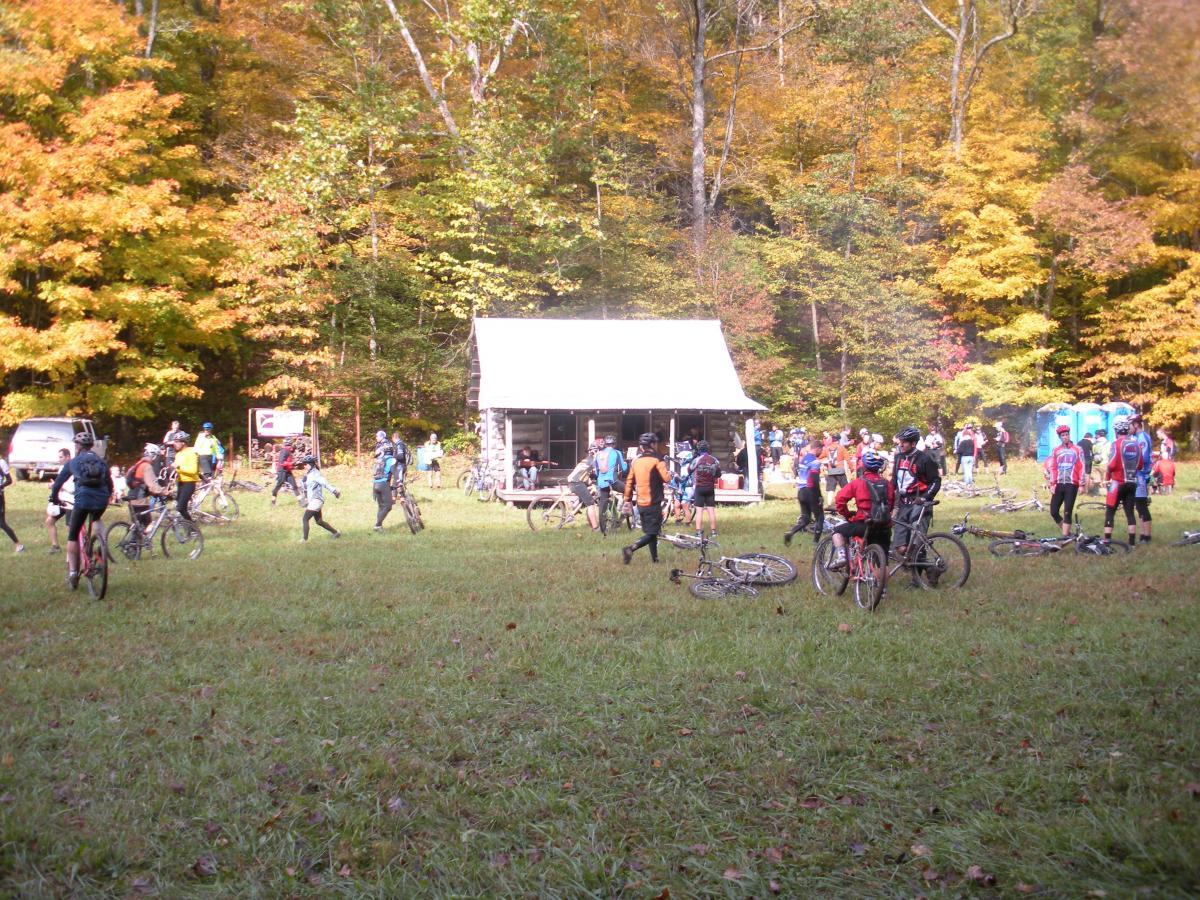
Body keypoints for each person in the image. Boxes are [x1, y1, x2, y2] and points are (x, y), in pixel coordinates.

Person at [49, 433, 113, 588]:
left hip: (83, 500)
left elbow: (57, 484)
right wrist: (107, 496)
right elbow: (110, 484)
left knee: (73, 535)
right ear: (91, 446)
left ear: (77, 446)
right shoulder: (101, 461)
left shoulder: (73, 462)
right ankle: (102, 544)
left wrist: (54, 499)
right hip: (102, 499)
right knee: (96, 518)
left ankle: (72, 573)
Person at [827, 450, 895, 570]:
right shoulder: (887, 484)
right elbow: (891, 504)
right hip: (884, 526)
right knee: (882, 564)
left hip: (865, 523)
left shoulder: (858, 483)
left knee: (837, 531)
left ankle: (842, 556)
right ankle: (881, 581)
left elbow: (840, 499)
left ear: (863, 466)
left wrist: (847, 514)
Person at [890, 426, 941, 563]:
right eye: (900, 441)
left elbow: (936, 481)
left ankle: (926, 570)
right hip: (903, 504)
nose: (901, 444)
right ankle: (911, 564)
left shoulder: (925, 459)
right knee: (900, 547)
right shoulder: (898, 457)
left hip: (919, 503)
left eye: (904, 442)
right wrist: (886, 498)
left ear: (913, 443)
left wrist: (925, 497)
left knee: (917, 544)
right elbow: (894, 481)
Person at [621, 433, 672, 564]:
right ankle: (631, 548)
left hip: (640, 503)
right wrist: (669, 473)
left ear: (641, 447)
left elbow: (629, 482)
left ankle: (655, 559)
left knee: (651, 532)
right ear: (653, 445)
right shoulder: (657, 460)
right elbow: (666, 478)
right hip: (653, 502)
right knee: (653, 533)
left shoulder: (636, 462)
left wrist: (627, 500)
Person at [1103, 416, 1142, 546]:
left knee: (1110, 511)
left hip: (1117, 482)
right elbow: (1140, 465)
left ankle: (1107, 542)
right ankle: (1132, 543)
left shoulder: (1116, 444)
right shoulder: (1136, 444)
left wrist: (1107, 476)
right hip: (1132, 482)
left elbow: (1112, 464)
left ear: (1116, 430)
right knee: (1130, 512)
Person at [1043, 425, 1084, 536]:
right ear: (1060, 437)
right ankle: (1068, 534)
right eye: (1063, 435)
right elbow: (1052, 467)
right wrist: (1052, 483)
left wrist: (1082, 484)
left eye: (1067, 434)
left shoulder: (1078, 449)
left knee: (1067, 512)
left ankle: (1065, 536)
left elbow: (1082, 466)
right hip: (1059, 483)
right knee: (1053, 511)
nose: (1065, 437)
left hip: (1072, 484)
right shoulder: (1056, 450)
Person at [784, 438, 824, 546]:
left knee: (806, 518)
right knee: (820, 517)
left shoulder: (803, 459)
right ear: (817, 448)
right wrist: (819, 496)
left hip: (801, 491)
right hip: (810, 491)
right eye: (821, 450)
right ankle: (816, 543)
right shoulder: (815, 462)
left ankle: (791, 532)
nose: (821, 452)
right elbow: (814, 480)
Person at [125, 443, 169, 529]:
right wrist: (164, 491)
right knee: (148, 526)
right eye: (157, 456)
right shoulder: (147, 466)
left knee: (138, 527)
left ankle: (136, 536)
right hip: (140, 500)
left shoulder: (139, 464)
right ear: (153, 455)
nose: (157, 459)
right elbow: (152, 485)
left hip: (132, 497)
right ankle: (139, 536)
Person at [592, 435, 628, 534]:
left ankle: (603, 528)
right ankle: (622, 513)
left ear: (605, 444)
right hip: (613, 481)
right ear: (614, 444)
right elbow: (624, 469)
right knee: (628, 491)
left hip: (601, 482)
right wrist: (626, 463)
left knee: (603, 503)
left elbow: (596, 472)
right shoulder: (617, 452)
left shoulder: (598, 454)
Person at [299, 455, 341, 540]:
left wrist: (334, 491)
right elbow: (306, 487)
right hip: (313, 501)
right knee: (319, 521)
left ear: (310, 464)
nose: (304, 466)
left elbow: (325, 483)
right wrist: (303, 483)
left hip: (316, 500)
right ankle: (336, 533)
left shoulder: (315, 474)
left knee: (305, 519)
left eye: (305, 464)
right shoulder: (309, 474)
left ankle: (304, 540)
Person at [689, 440, 721, 540]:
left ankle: (698, 532)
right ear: (708, 449)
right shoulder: (714, 460)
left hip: (699, 487)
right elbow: (718, 474)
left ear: (699, 450)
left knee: (699, 511)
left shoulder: (697, 460)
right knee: (711, 510)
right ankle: (714, 532)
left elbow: (689, 470)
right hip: (710, 487)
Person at [44, 448, 73, 553]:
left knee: (71, 528)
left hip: (72, 502)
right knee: (49, 521)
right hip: (62, 501)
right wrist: (53, 485)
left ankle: (78, 548)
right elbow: (59, 484)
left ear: (68, 457)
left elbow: (72, 488)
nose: (59, 459)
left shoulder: (74, 468)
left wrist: (59, 486)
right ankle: (55, 546)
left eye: (61, 457)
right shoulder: (62, 468)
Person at [1131, 414, 1154, 543]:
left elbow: (1143, 458)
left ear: (1136, 424)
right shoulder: (1137, 437)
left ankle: (1147, 536)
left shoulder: (1142, 438)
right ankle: (1143, 533)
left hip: (1141, 475)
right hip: (1138, 474)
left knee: (1141, 504)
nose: (1128, 428)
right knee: (1139, 505)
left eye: (1130, 425)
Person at [566, 452, 600, 530]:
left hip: (574, 481)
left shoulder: (587, 459)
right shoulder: (593, 460)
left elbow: (584, 474)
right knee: (591, 504)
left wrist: (590, 482)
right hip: (576, 483)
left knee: (587, 497)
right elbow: (599, 471)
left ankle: (575, 506)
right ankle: (595, 528)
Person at [171, 433, 200, 522]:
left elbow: (193, 470)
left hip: (189, 483)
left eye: (177, 442)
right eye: (174, 442)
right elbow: (177, 469)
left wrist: (179, 467)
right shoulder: (178, 454)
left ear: (183, 443)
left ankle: (192, 527)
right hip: (180, 482)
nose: (174, 444)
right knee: (180, 507)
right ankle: (188, 525)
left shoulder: (191, 453)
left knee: (180, 507)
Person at [0, 453, 24, 553]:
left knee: (1, 523)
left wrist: (1, 487)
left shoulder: (1, 463)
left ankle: (18, 545)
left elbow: (9, 480)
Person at [371, 442, 398, 531]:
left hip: (375, 484)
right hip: (384, 484)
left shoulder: (379, 459)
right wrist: (399, 481)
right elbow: (394, 472)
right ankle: (377, 525)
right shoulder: (391, 459)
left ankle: (379, 526)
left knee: (381, 506)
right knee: (388, 506)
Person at [271, 438, 299, 505]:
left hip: (288, 471)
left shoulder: (288, 450)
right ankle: (273, 502)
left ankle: (302, 502)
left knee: (294, 485)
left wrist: (293, 464)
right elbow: (281, 462)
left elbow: (287, 461)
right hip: (282, 471)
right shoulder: (284, 451)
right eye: (290, 444)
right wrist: (291, 463)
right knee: (278, 485)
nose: (291, 446)